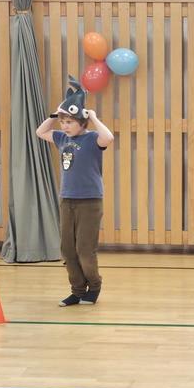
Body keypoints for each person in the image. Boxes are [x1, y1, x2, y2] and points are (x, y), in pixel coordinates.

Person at [36, 76, 114, 306]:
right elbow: (40, 132)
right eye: (63, 122)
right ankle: (77, 290)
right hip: (67, 200)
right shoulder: (61, 138)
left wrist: (94, 117)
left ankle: (94, 286)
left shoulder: (92, 139)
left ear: (82, 123)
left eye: (69, 122)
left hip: (89, 201)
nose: (64, 126)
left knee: (84, 249)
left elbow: (108, 137)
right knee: (68, 250)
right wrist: (54, 115)